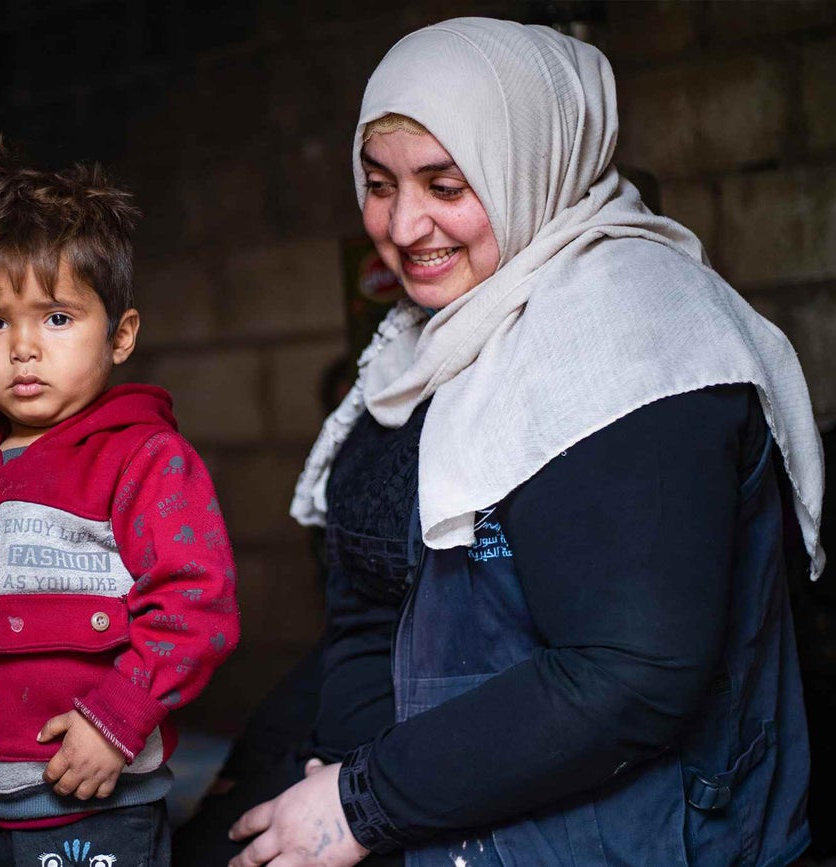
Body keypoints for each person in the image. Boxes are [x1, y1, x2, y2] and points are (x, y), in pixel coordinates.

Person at [214, 17, 825, 867]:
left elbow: (631, 673)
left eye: (445, 183)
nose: (402, 224)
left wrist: (361, 801)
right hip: (435, 815)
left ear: (530, 164)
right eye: (379, 182)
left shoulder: (630, 333)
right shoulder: (431, 337)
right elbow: (374, 610)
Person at [0, 148, 240, 866]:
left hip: (99, 802)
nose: (22, 348)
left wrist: (117, 721)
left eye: (55, 316)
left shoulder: (145, 461)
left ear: (121, 333)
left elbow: (195, 604)